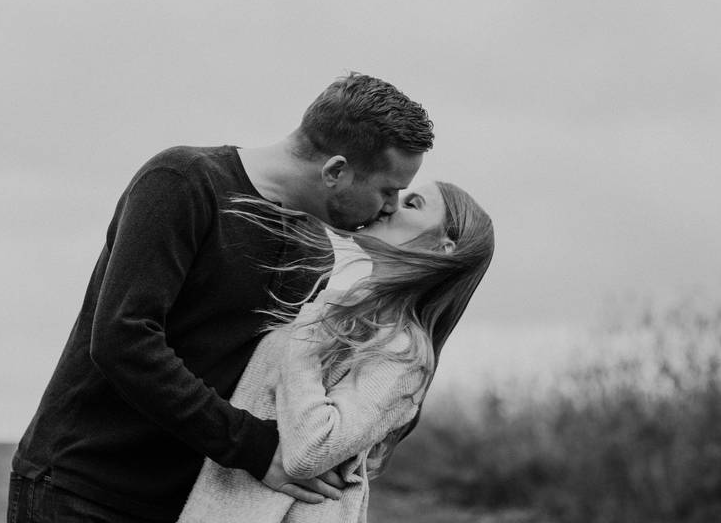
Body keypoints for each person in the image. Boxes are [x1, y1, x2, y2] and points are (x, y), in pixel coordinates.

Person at [7, 73, 435, 522]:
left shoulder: (316, 253)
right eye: (389, 190)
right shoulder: (183, 182)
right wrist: (253, 446)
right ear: (336, 171)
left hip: (187, 503)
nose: (391, 207)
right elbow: (123, 339)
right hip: (83, 488)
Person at [178, 180, 494, 522]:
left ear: (444, 249)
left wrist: (306, 341)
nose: (389, 205)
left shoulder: (403, 353)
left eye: (413, 204)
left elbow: (310, 452)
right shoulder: (335, 308)